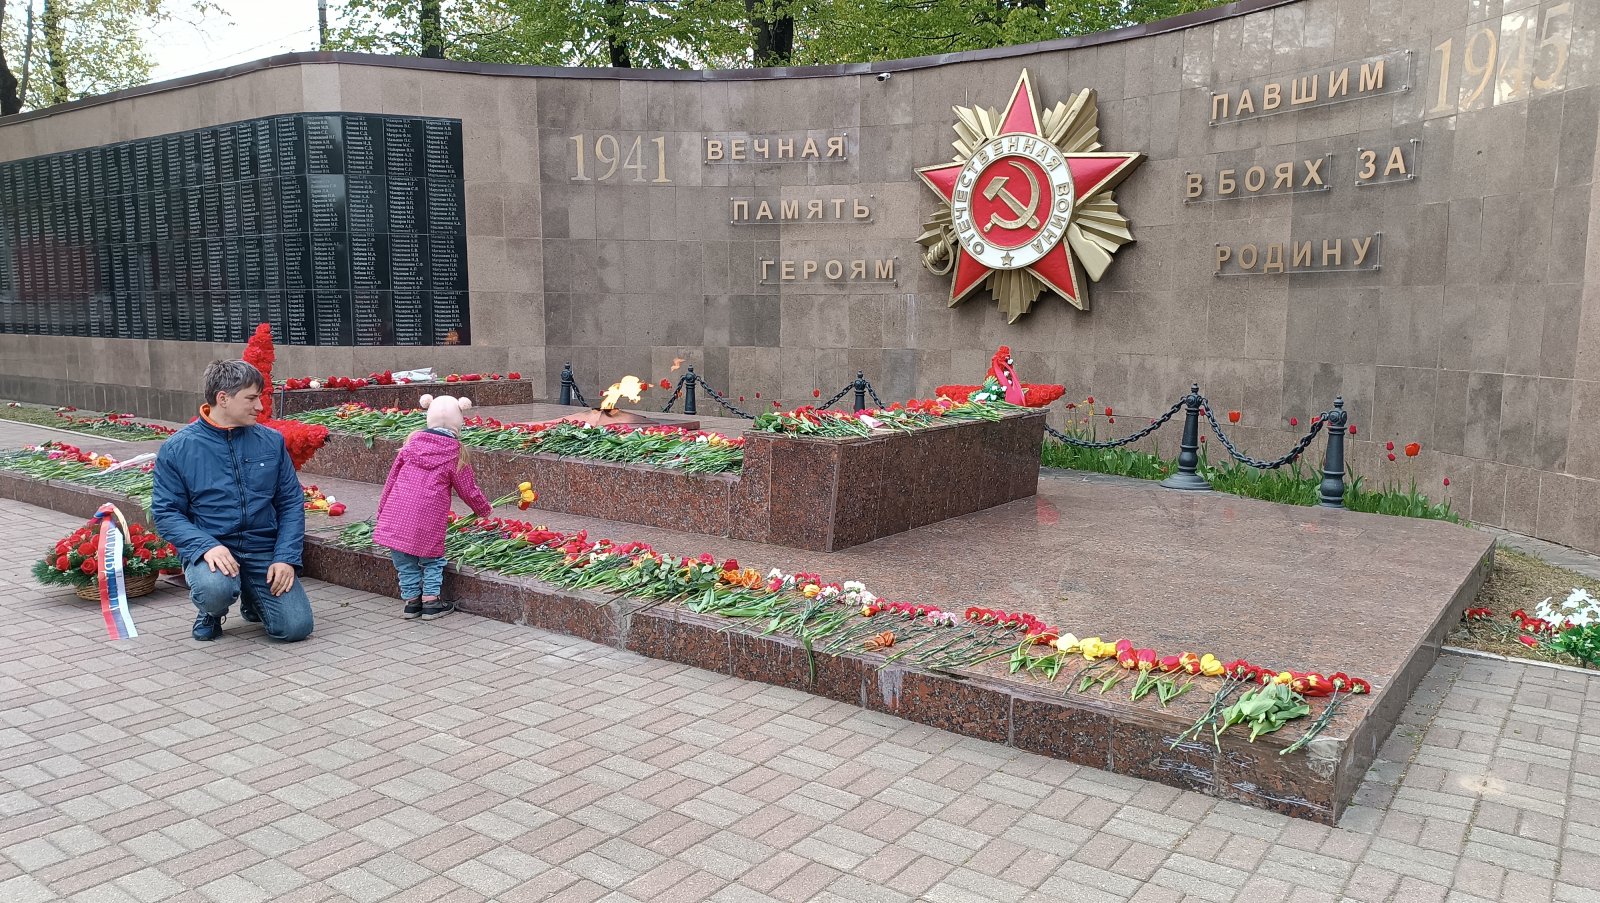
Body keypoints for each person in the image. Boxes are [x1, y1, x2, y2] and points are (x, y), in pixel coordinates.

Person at [152, 359, 314, 642]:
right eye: (251, 398)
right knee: (215, 589)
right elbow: (166, 513)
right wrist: (205, 546)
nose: (260, 407)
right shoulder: (178, 449)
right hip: (214, 550)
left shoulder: (271, 442)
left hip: (262, 549)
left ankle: (253, 597)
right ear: (223, 399)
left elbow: (290, 503)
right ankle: (211, 611)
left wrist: (285, 558)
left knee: (295, 627)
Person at [374, 393, 492, 620]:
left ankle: (411, 603)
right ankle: (431, 601)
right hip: (429, 517)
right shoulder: (454, 452)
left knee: (405, 562)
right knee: (432, 560)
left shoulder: (410, 445)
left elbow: (391, 480)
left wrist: (382, 511)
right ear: (459, 422)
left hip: (396, 514)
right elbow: (468, 488)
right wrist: (483, 509)